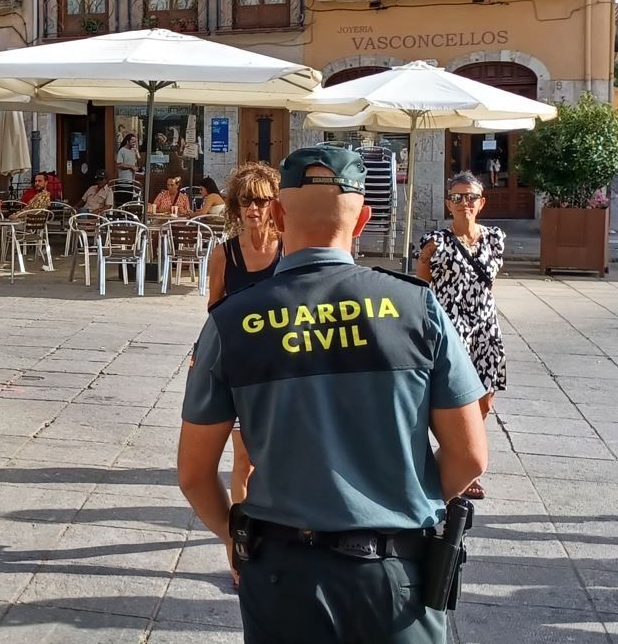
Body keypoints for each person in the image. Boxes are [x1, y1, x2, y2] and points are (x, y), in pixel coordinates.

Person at [178, 145, 488, 643]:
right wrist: (404, 501)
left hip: (281, 573)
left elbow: (193, 473)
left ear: (278, 215)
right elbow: (471, 457)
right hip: (394, 576)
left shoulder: (232, 322)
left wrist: (233, 540)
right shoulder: (417, 307)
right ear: (363, 219)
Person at [418, 171, 507, 501]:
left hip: (485, 331)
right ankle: (460, 464)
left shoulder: (495, 239)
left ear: (481, 202)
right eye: (457, 197)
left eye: (470, 197)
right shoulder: (435, 243)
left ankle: (466, 453)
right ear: (448, 204)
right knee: (451, 400)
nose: (464, 203)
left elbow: (489, 285)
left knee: (483, 402)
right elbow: (421, 288)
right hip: (450, 333)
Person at [201, 162, 282, 514]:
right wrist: (203, 358)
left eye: (262, 202)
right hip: (240, 369)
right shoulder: (224, 254)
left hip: (283, 368)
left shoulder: (290, 251)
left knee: (283, 458)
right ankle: (243, 542)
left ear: (274, 205)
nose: (253, 209)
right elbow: (214, 311)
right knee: (244, 460)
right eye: (246, 201)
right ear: (235, 205)